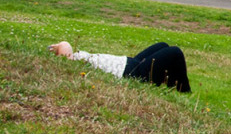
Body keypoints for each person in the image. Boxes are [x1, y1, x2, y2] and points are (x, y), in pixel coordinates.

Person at [49, 41, 191, 93]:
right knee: (175, 52)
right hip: (132, 73)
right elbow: (65, 45)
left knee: (163, 46)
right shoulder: (70, 64)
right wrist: (58, 47)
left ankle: (172, 85)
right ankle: (184, 92)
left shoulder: (74, 61)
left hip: (129, 63)